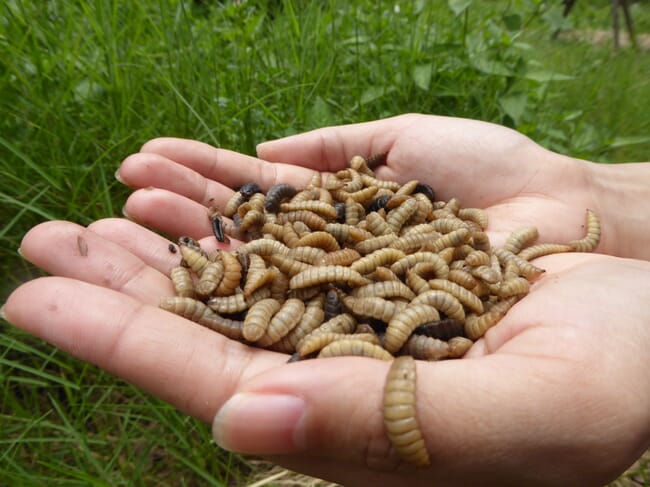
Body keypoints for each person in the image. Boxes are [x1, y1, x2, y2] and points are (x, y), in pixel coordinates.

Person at [3, 114, 650, 486]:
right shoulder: (283, 257)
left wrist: (582, 197)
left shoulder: (436, 264)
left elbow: (399, 285)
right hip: (323, 284)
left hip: (387, 281)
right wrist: (591, 188)